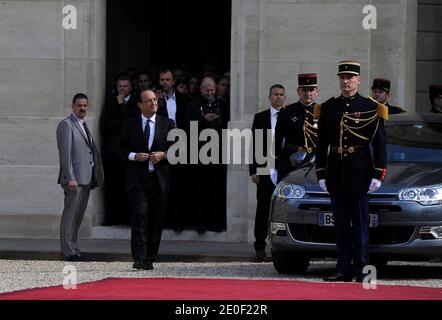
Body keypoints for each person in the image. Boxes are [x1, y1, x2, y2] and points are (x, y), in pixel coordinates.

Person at [315, 61, 388, 282]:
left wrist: (378, 173)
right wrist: (321, 172)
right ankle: (342, 268)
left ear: (358, 80)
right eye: (342, 77)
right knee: (340, 224)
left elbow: (380, 144)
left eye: (350, 77)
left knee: (360, 224)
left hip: (360, 172)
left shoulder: (371, 107)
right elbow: (321, 144)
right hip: (337, 171)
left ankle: (362, 268)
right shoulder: (328, 107)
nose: (346, 81)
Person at [116, 89, 175, 270]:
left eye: (155, 100)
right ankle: (139, 258)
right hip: (138, 180)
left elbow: (179, 150)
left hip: (158, 180)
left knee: (156, 219)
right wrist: (134, 156)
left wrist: (163, 154)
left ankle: (150, 256)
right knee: (140, 216)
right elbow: (117, 149)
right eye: (149, 101)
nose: (154, 103)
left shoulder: (167, 124)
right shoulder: (130, 124)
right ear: (140, 105)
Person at [56, 93, 104, 261]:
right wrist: (70, 178)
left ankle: (74, 248)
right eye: (79, 106)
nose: (82, 108)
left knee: (78, 216)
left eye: (85, 105)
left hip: (86, 178)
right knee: (70, 216)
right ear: (73, 106)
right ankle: (68, 251)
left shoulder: (83, 125)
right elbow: (65, 154)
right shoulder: (67, 125)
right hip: (74, 179)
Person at [187, 77, 229, 233]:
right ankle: (200, 223)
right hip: (199, 154)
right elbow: (187, 125)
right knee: (200, 190)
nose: (210, 93)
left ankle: (215, 222)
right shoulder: (193, 105)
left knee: (216, 189)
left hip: (218, 153)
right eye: (207, 90)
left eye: (212, 90)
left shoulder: (223, 105)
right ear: (201, 90)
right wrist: (203, 119)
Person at [249, 84, 286, 261]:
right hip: (264, 168)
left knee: (283, 209)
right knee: (263, 208)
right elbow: (254, 144)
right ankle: (260, 246)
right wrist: (253, 170)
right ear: (269, 97)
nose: (279, 97)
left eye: (281, 95)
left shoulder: (288, 116)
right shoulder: (260, 118)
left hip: (284, 169)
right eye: (276, 94)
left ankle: (281, 247)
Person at [101, 74, 139, 225]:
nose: (122, 89)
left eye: (125, 86)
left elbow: (133, 122)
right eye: (120, 86)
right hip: (114, 152)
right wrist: (122, 120)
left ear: (131, 87)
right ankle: (113, 217)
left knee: (130, 187)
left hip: (130, 153)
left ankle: (130, 218)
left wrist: (122, 106)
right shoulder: (111, 102)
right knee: (113, 187)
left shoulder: (137, 102)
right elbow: (106, 125)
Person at [156, 68, 189, 232]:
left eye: (167, 80)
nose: (164, 83)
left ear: (173, 81)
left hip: (179, 142)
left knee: (178, 184)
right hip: (161, 144)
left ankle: (177, 220)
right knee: (161, 184)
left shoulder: (183, 98)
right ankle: (162, 220)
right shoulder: (155, 99)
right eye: (162, 79)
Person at [275, 73, 320, 183]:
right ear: (298, 91)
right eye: (304, 90)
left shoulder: (323, 111)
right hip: (289, 160)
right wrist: (274, 165)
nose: (308, 93)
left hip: (313, 160)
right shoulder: (286, 111)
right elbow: (277, 140)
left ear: (316, 92)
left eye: (311, 90)